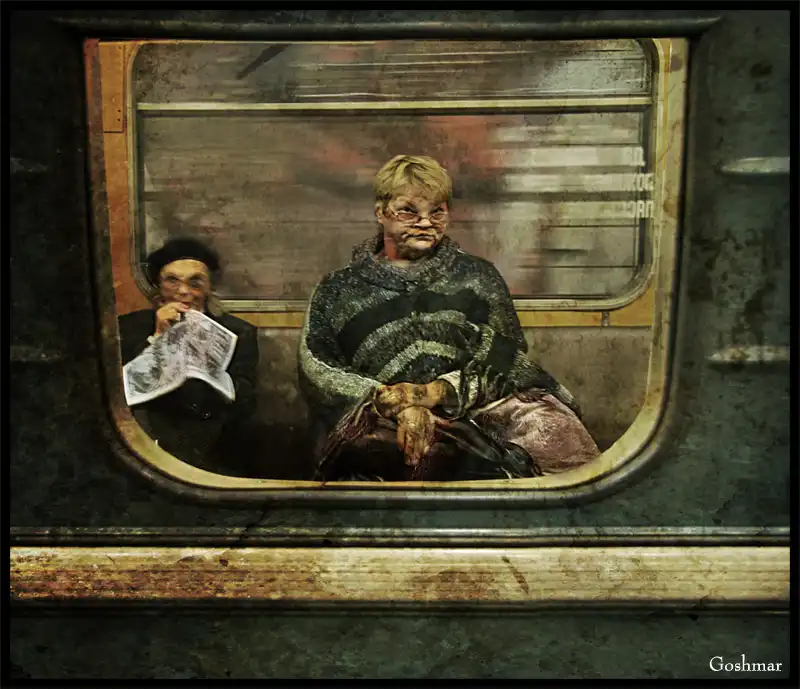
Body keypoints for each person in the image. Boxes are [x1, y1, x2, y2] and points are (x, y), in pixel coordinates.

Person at [299, 155, 600, 482]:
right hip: (375, 417)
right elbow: (318, 370)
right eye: (408, 211)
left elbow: (506, 361)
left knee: (553, 430)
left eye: (437, 212)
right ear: (381, 213)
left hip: (476, 413)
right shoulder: (338, 289)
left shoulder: (477, 277)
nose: (425, 222)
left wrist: (437, 392)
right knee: (385, 451)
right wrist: (393, 403)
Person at [118, 237, 259, 475]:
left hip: (211, 440)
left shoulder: (238, 332)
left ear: (208, 288)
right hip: (145, 440)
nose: (184, 291)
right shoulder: (129, 327)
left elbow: (244, 403)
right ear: (158, 285)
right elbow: (121, 389)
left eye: (195, 282)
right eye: (172, 280)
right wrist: (158, 337)